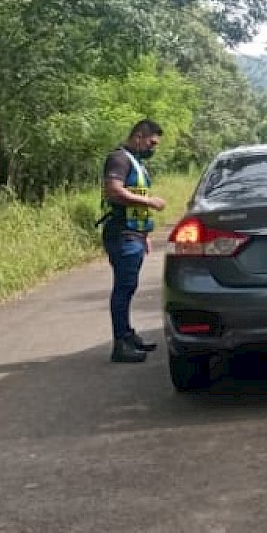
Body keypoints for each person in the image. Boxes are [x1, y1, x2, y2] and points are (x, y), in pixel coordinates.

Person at [98, 119, 167, 363]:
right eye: (151, 142)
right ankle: (120, 344)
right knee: (123, 288)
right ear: (138, 136)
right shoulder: (119, 159)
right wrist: (151, 203)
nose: (153, 148)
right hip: (121, 233)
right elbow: (114, 191)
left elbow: (135, 195)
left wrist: (145, 235)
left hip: (133, 234)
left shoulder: (135, 162)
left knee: (129, 287)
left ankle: (127, 335)